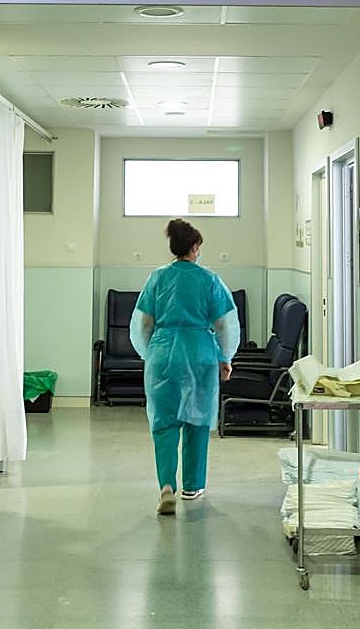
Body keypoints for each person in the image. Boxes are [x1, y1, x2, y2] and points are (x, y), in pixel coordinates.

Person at [130, 219, 240, 515]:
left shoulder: (157, 278)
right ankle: (193, 486)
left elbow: (144, 323)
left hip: (163, 354)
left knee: (164, 423)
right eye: (199, 246)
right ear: (193, 247)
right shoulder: (209, 280)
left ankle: (167, 487)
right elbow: (224, 326)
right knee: (197, 420)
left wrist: (151, 353)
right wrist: (225, 357)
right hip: (199, 353)